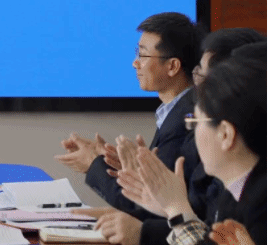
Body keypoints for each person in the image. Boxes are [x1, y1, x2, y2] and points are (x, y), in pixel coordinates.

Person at [100, 30, 264, 245]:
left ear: (225, 134)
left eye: (196, 122)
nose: (193, 133)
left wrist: (177, 209)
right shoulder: (233, 194)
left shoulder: (260, 202)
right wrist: (169, 207)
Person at [56, 13, 203, 215]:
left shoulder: (183, 122)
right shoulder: (177, 110)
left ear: (172, 66)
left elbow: (146, 207)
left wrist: (93, 164)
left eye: (143, 55)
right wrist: (122, 165)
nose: (135, 63)